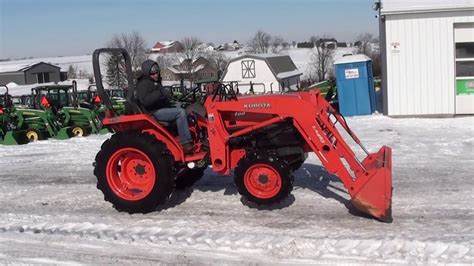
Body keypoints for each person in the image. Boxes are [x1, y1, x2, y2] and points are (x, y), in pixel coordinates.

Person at [136, 59, 194, 154]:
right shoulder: (143, 85)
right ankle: (186, 143)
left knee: (185, 107)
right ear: (147, 74)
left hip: (161, 107)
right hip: (153, 112)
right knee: (180, 112)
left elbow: (164, 95)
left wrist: (172, 97)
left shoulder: (156, 82)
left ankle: (191, 136)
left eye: (157, 73)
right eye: (153, 74)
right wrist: (159, 93)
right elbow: (146, 101)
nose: (156, 75)